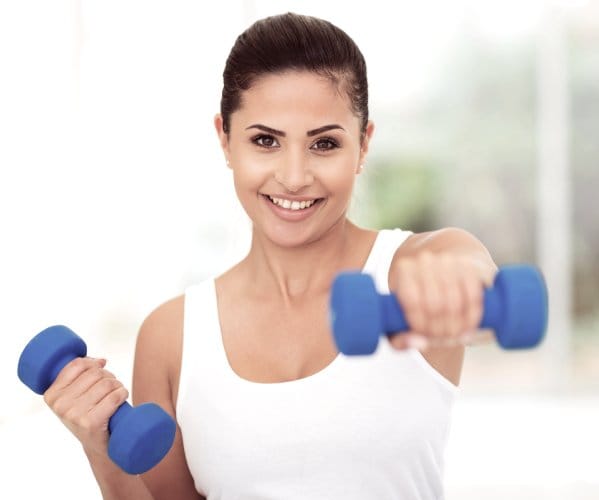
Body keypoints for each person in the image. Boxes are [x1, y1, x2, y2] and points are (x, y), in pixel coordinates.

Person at [42, 12, 497, 500]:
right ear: (225, 139)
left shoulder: (416, 268)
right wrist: (98, 446)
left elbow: (481, 293)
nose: (295, 176)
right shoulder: (173, 336)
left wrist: (460, 295)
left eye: (324, 143)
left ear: (363, 145)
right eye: (265, 141)